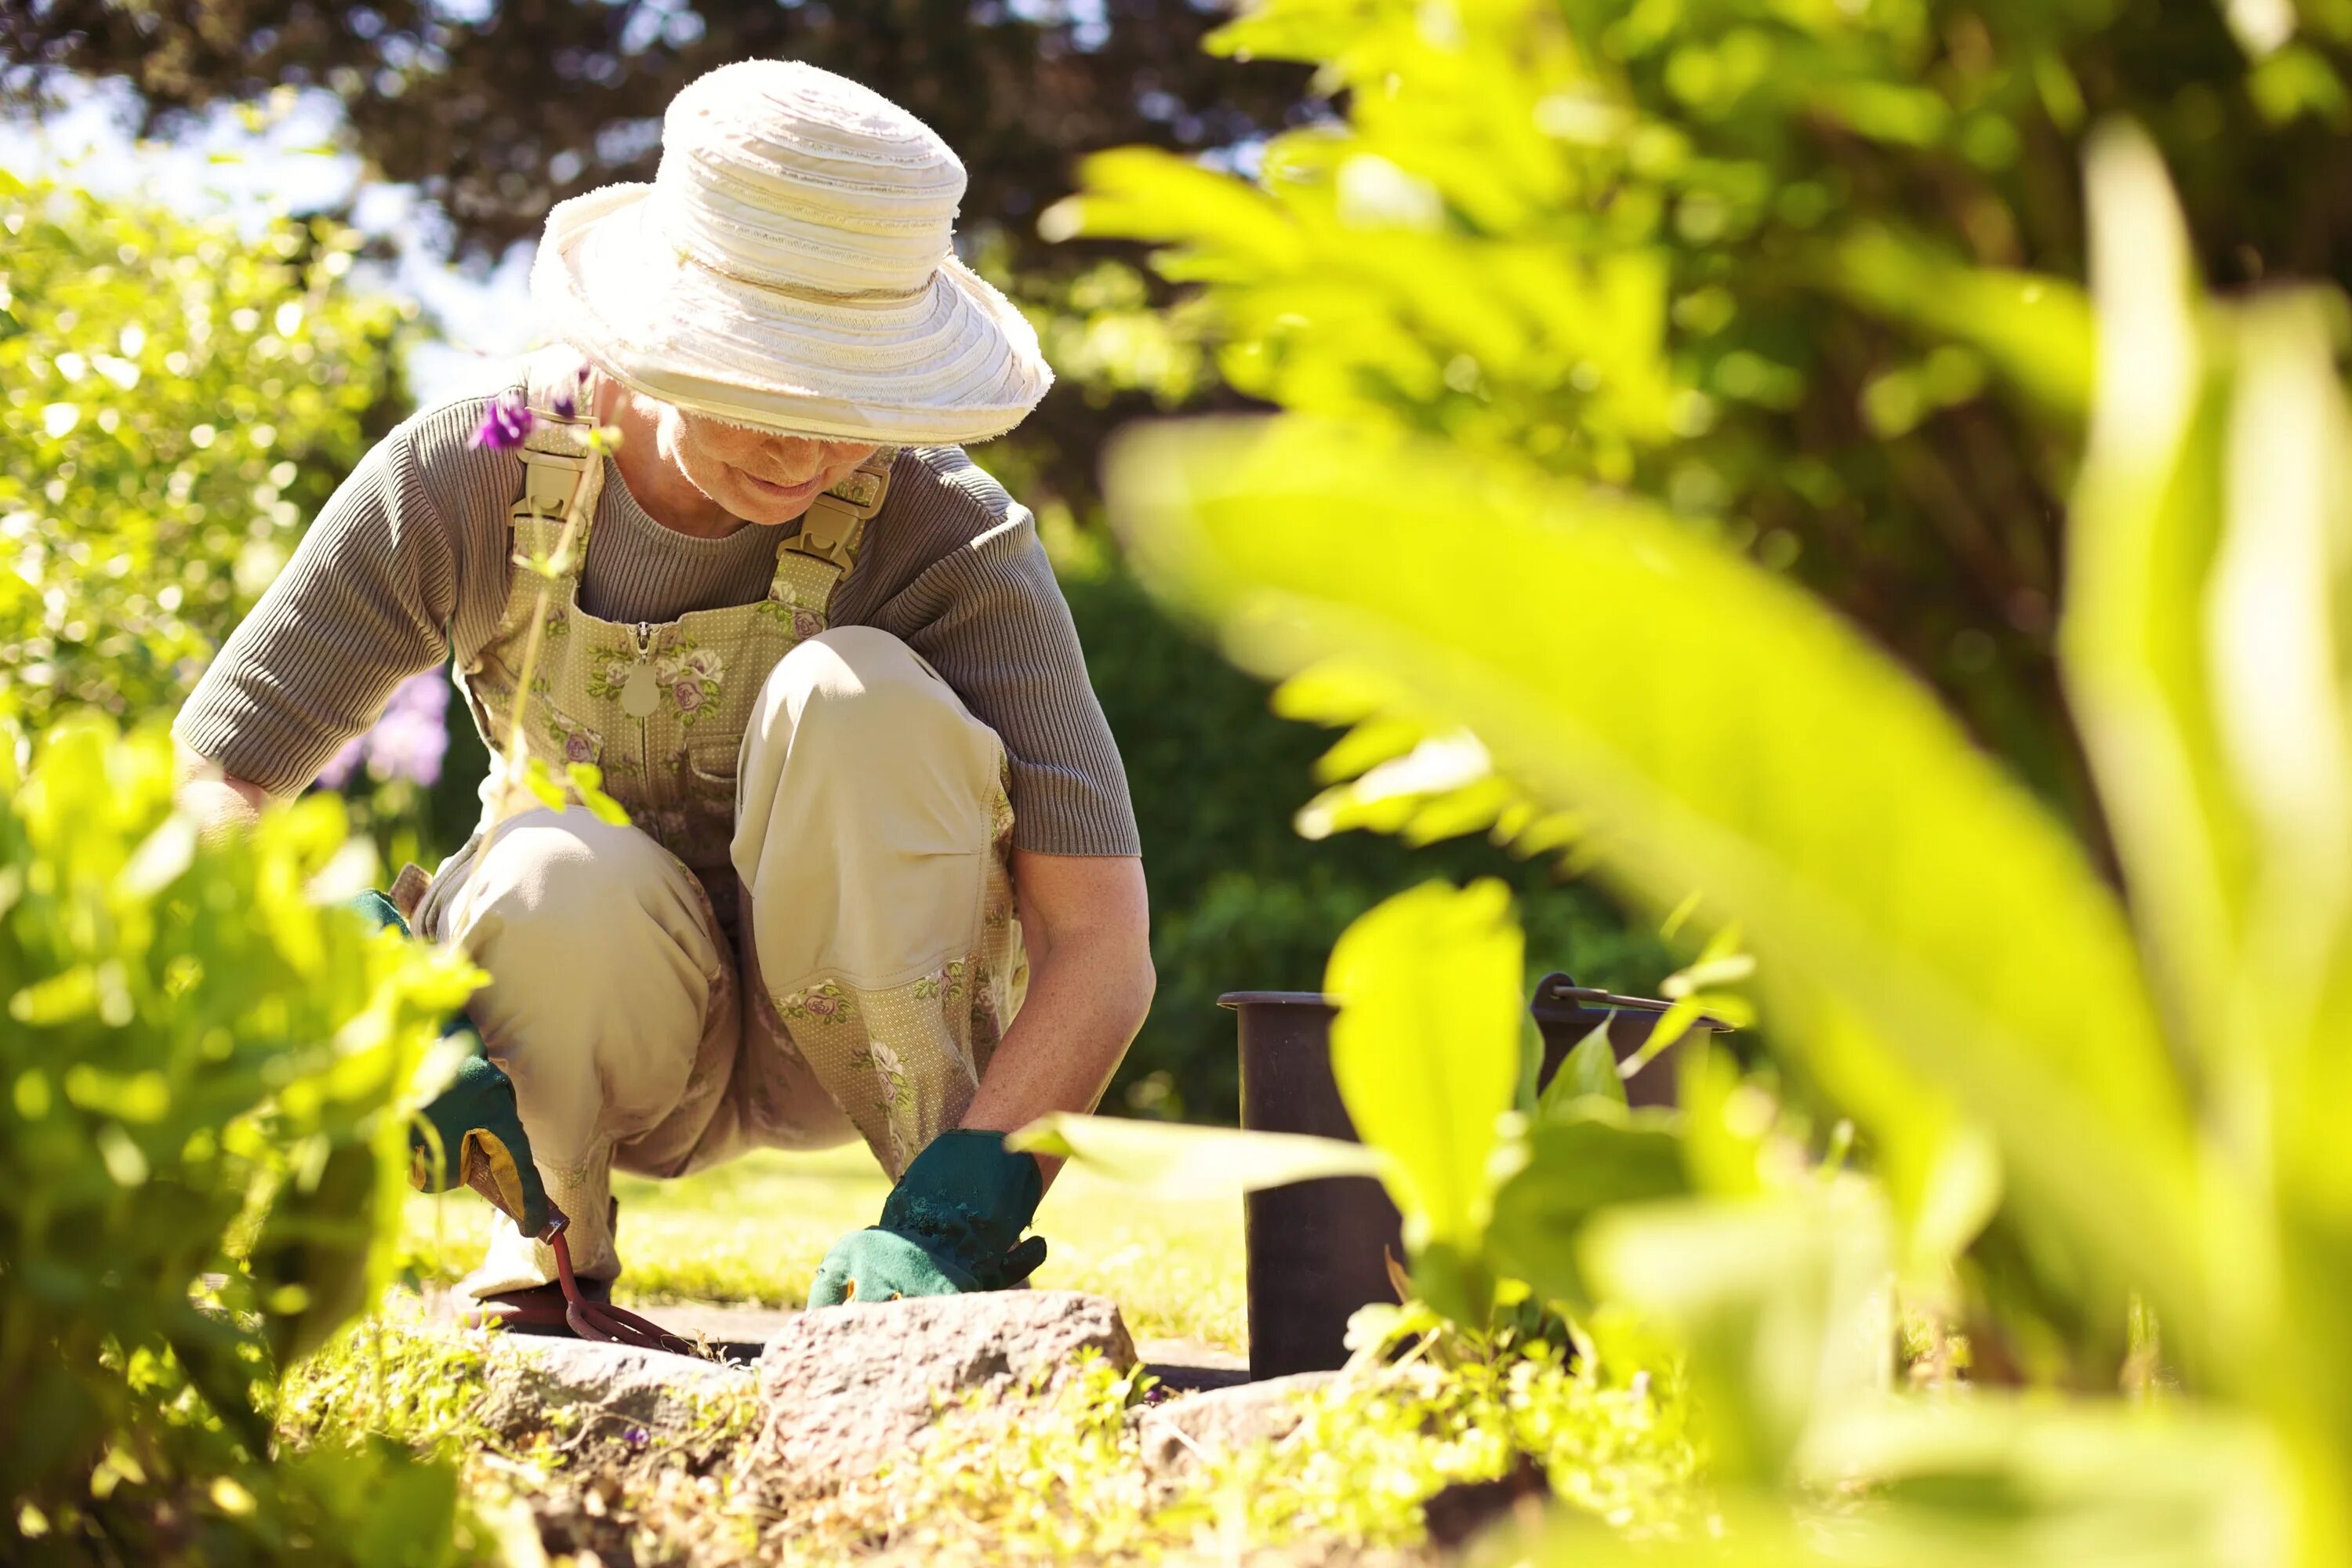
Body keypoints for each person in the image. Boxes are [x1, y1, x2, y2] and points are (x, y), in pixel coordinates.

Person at [172, 60, 1154, 1324]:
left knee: (856, 696)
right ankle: (550, 1244)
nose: (807, 448)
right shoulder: (474, 472)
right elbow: (219, 780)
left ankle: (920, 1270)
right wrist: (338, 967)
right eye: (763, 386)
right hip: (578, 1020)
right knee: (547, 871)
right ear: (655, 335)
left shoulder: (943, 532)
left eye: (850, 398)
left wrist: (980, 1191)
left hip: (859, 1031)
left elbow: (1101, 941)